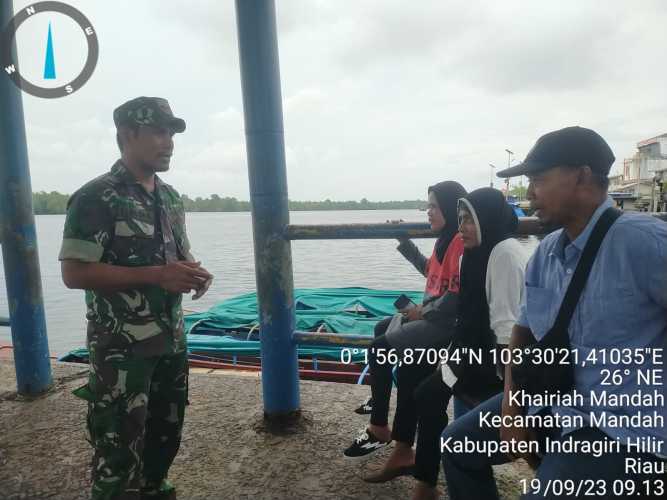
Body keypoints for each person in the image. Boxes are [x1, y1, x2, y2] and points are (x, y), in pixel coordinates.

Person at [441, 126, 667, 500]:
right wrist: (513, 409)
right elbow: (522, 334)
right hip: (554, 400)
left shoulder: (641, 243)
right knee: (457, 445)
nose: (529, 194)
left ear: (581, 176)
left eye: (538, 180)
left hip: (622, 429)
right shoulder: (546, 254)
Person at [59, 97, 213, 500]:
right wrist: (159, 276)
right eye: (159, 132)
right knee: (118, 445)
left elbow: (173, 256)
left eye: (172, 133)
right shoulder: (96, 197)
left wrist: (193, 270)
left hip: (171, 340)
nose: (169, 143)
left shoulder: (171, 197)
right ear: (128, 135)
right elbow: (74, 273)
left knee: (166, 433)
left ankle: (154, 486)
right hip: (122, 349)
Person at [409, 187, 529, 500]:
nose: (462, 226)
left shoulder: (504, 253)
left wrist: (509, 402)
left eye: (470, 219)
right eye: (460, 218)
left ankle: (429, 486)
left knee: (450, 422)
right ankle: (428, 485)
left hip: (496, 367)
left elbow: (509, 333)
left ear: (487, 219)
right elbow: (467, 318)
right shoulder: (474, 253)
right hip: (468, 355)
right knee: (430, 396)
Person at [344, 181, 467, 471]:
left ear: (450, 208)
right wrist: (404, 240)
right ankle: (379, 398)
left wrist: (423, 311)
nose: (428, 212)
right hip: (430, 316)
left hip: (442, 324)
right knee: (380, 328)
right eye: (427, 206)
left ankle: (378, 425)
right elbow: (430, 271)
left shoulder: (460, 243)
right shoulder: (444, 240)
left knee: (378, 349)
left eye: (433, 207)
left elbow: (461, 294)